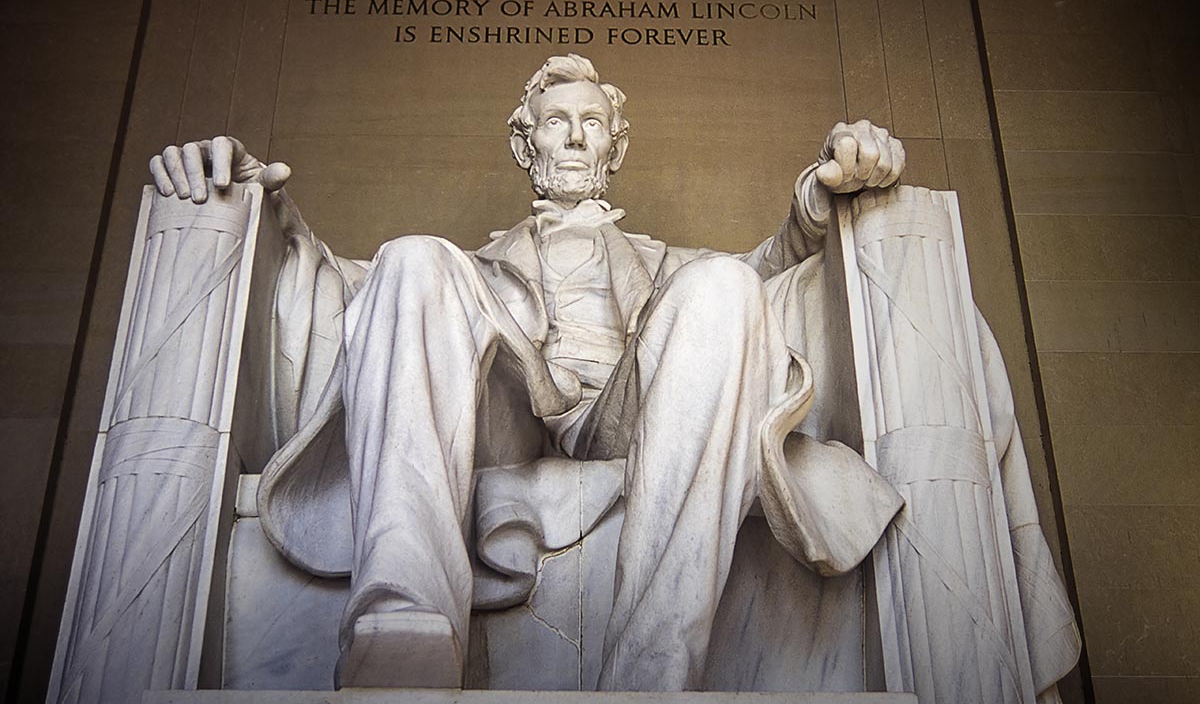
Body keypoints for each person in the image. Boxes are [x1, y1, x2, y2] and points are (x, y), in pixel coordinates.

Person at [150, 54, 1076, 698]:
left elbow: (765, 278)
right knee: (411, 257)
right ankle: (403, 629)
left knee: (719, 287)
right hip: (509, 401)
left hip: (636, 410)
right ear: (527, 145)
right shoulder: (466, 268)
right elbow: (348, 298)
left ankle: (655, 667)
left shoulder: (664, 263)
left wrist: (817, 198)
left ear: (611, 147)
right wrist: (262, 217)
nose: (576, 138)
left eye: (593, 125)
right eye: (557, 123)